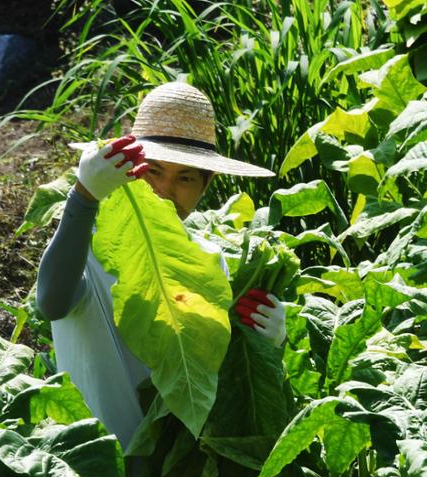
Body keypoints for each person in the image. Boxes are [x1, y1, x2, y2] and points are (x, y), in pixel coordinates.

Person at [36, 81, 286, 453]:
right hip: (90, 467)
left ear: (207, 184)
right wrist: (83, 196)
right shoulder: (88, 246)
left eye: (185, 177)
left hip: (171, 474)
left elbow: (204, 373)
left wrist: (267, 343)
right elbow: (52, 303)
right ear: (129, 169)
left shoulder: (207, 259)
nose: (165, 190)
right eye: (153, 171)